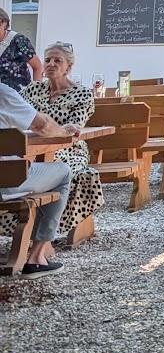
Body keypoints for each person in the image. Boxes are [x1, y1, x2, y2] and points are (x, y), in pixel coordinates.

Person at [11, 42, 102, 240]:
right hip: (31, 146)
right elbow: (13, 114)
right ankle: (26, 225)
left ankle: (41, 232)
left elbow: (74, 129)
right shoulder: (32, 90)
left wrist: (55, 131)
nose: (51, 64)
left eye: (57, 60)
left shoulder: (82, 93)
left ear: (68, 66)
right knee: (17, 167)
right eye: (48, 60)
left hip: (69, 148)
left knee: (55, 166)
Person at [0, 75, 76, 273]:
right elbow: (43, 126)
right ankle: (37, 257)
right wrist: (63, 131)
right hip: (5, 183)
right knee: (63, 172)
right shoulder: (4, 93)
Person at [0, 7, 43, 93]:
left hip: (18, 97)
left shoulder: (18, 40)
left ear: (6, 25)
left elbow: (38, 67)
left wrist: (36, 95)